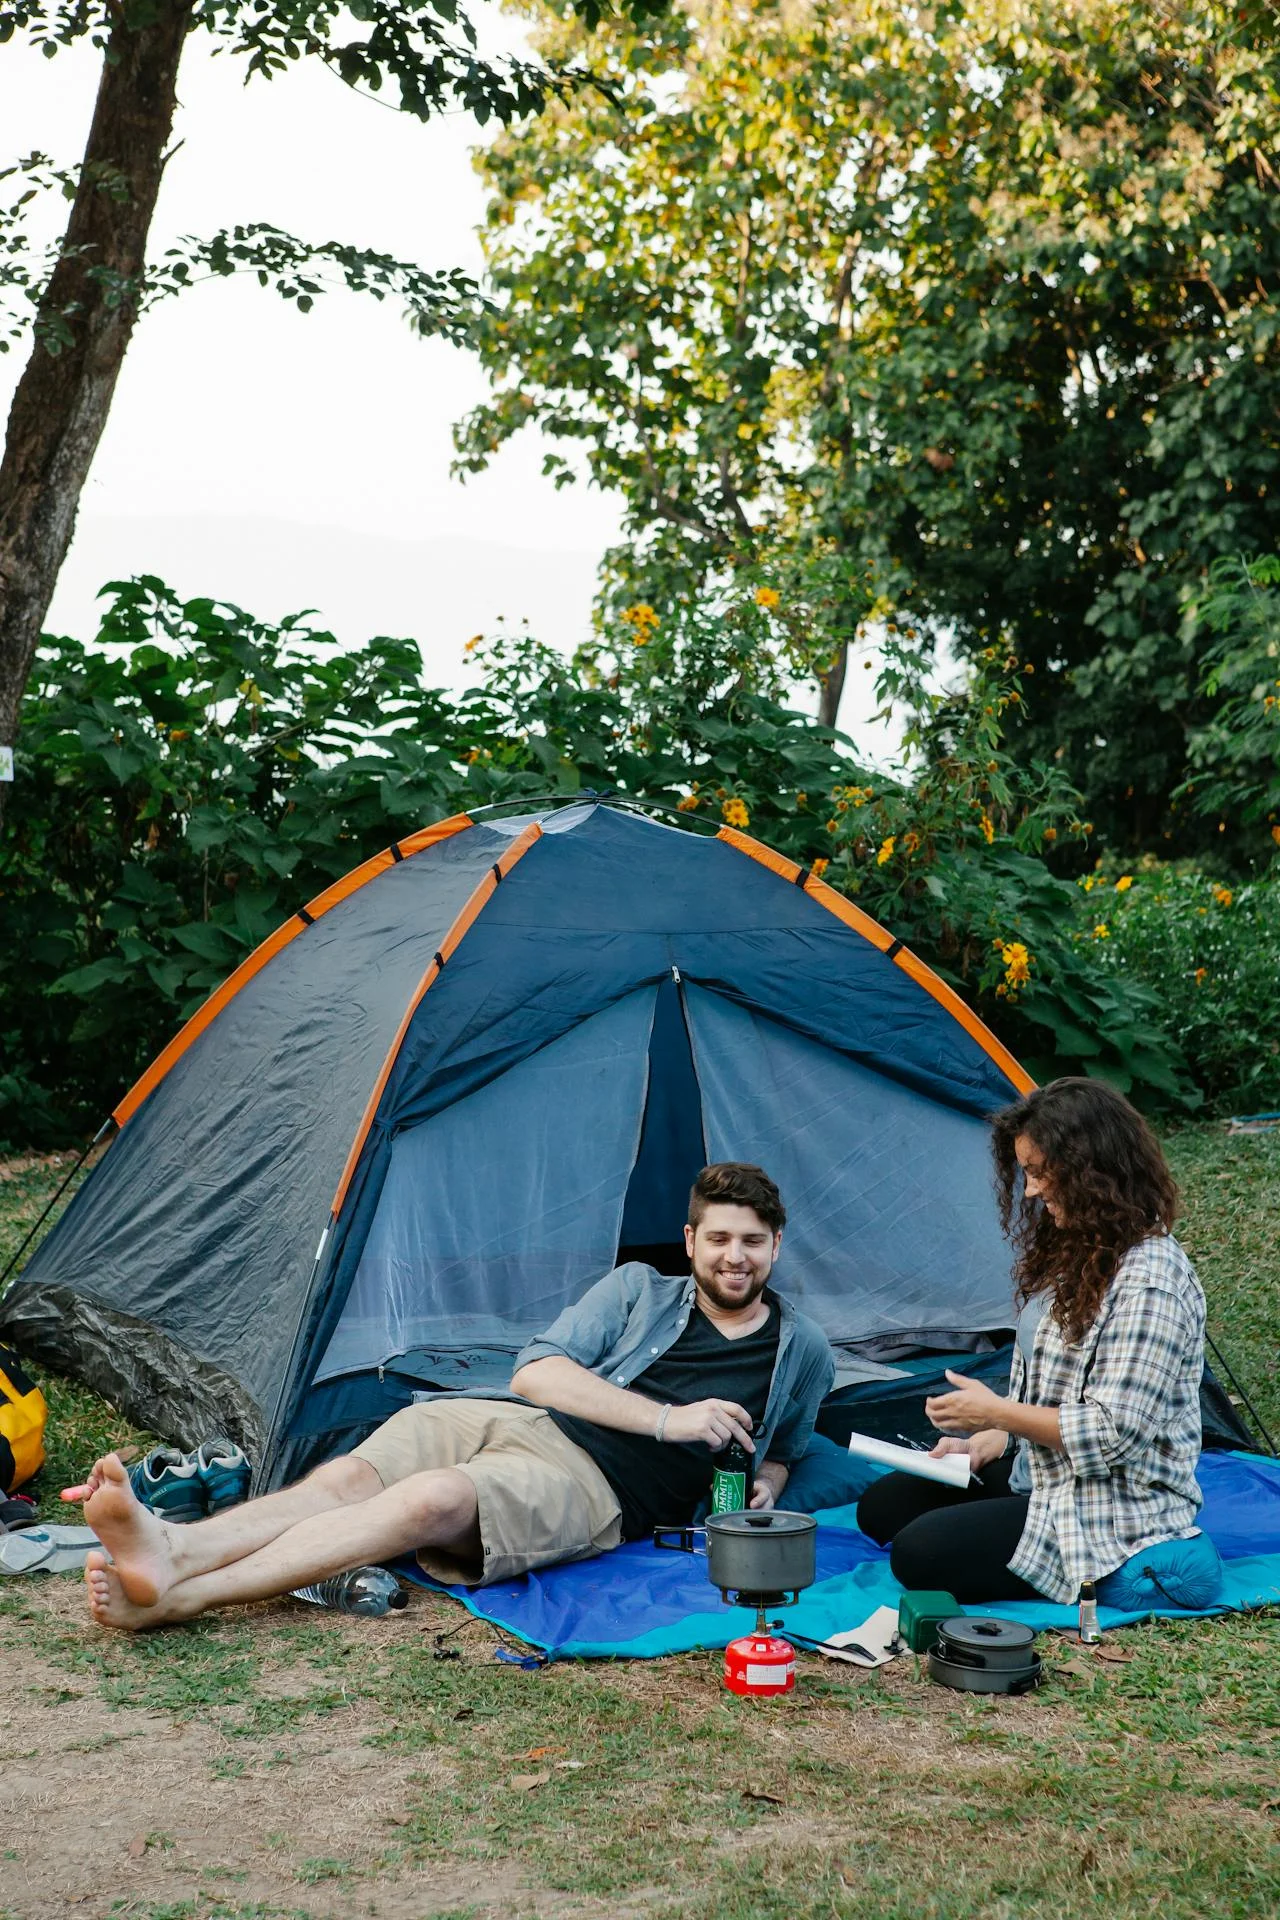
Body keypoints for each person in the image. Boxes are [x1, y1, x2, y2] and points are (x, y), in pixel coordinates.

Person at [72, 1161, 835, 1630]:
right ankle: (174, 1547)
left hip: (598, 1490)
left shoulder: (801, 1349)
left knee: (429, 1500)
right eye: (720, 1239)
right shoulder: (639, 1289)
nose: (735, 1257)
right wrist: (671, 1419)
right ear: (691, 1240)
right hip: (521, 1419)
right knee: (345, 1477)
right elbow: (537, 1372)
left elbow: (788, 1448)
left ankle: (185, 1596)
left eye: (753, 1242)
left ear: (776, 1245)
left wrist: (764, 1486)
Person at [856, 1077, 1208, 1605]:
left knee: (917, 1554)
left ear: (1094, 1170)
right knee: (880, 1507)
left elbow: (1115, 1433)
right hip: (1043, 1471)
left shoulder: (1151, 1279)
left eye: (1041, 1173)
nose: (1031, 1191)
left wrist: (997, 1414)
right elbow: (1051, 1395)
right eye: (1026, 1173)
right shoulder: (1080, 1250)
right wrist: (989, 1442)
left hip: (1110, 1500)